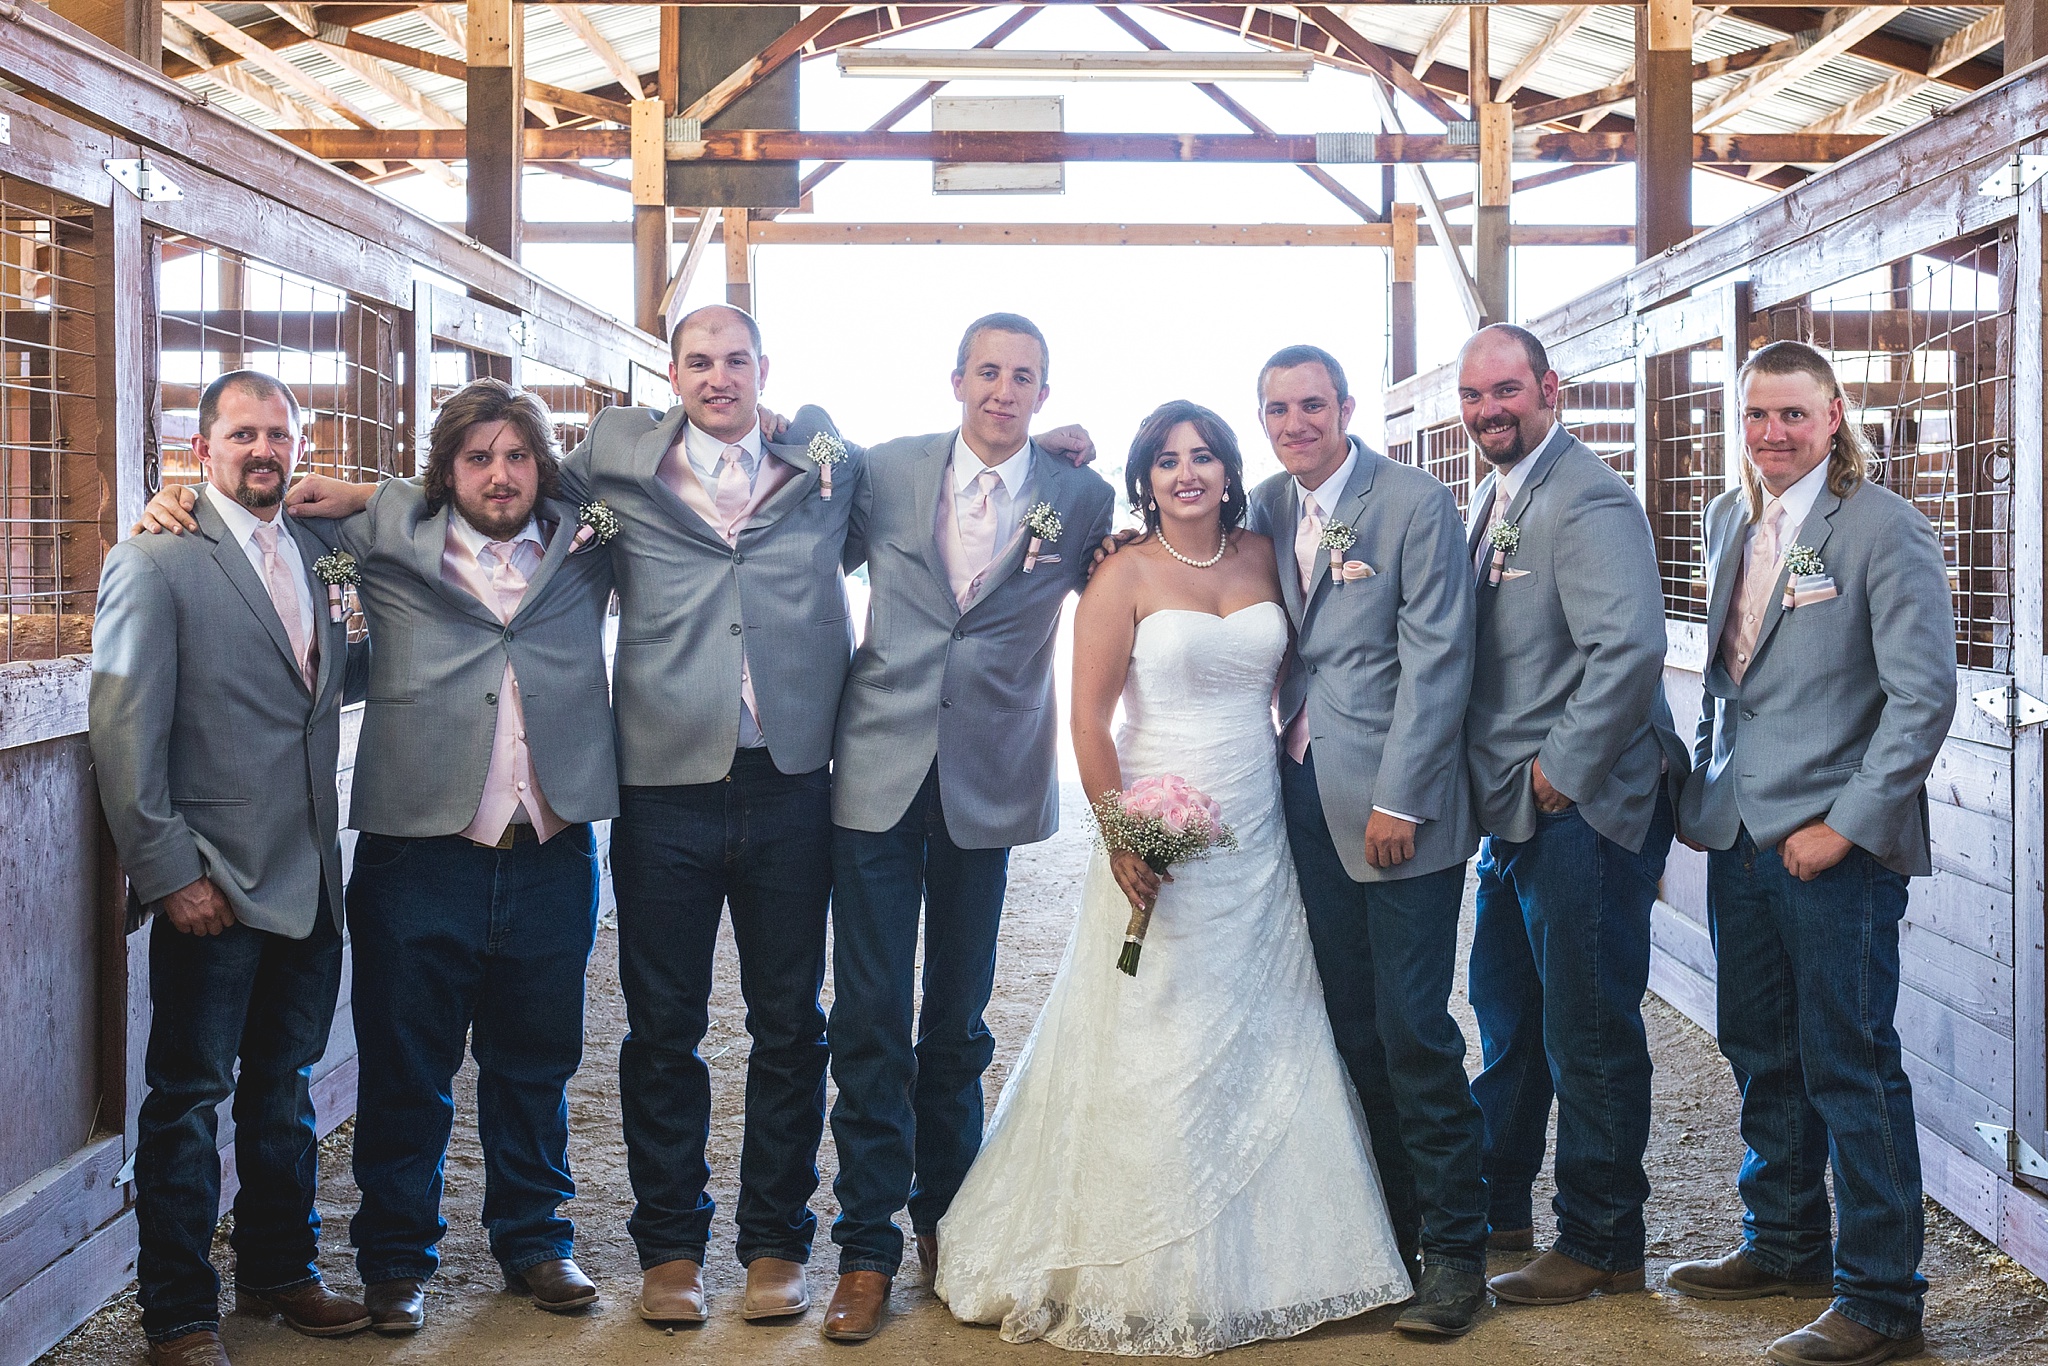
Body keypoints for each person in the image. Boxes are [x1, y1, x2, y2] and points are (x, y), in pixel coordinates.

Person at [135, 379, 620, 1329]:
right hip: (420, 851)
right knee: (406, 1068)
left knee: (538, 1060)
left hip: (553, 846)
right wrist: (174, 498)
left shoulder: (588, 545)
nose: (500, 473)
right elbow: (251, 516)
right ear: (443, 472)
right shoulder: (383, 540)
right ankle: (399, 1260)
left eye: (517, 455)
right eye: (477, 457)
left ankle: (537, 1239)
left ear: (542, 468)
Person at [933, 400, 1412, 1354]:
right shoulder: (1121, 574)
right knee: (1153, 1017)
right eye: (1164, 462)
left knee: (1271, 1018)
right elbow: (1088, 722)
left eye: (1202, 458)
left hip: (1262, 822)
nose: (1184, 474)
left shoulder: (1267, 552)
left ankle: (1290, 1255)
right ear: (1143, 479)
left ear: (1231, 472)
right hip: (1159, 816)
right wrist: (1122, 836)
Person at [819, 312, 1117, 1342]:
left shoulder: (1080, 496)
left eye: (1022, 376)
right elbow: (782, 510)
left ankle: (949, 1224)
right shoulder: (884, 469)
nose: (1002, 389)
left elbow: (1131, 585)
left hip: (985, 781)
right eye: (987, 371)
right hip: (875, 773)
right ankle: (863, 1247)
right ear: (956, 379)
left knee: (955, 1020)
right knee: (863, 1016)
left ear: (1044, 390)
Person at [1666, 340, 1955, 1366]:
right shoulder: (1725, 517)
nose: (1771, 434)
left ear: (1833, 416)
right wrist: (1705, 788)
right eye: (1754, 415)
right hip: (1738, 832)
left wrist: (1846, 822)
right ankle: (1783, 1239)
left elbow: (1922, 696)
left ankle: (1880, 1299)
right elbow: (1726, 679)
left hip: (1835, 846)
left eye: (1792, 414)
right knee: (1756, 1045)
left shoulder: (1884, 528)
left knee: (1850, 1061)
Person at [90, 371, 369, 1366]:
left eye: (279, 435)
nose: (263, 450)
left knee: (284, 1084)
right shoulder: (156, 558)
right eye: (243, 433)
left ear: (299, 446)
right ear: (200, 448)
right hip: (212, 881)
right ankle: (177, 1312)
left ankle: (280, 1269)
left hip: (308, 872)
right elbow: (124, 731)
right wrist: (169, 873)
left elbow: (340, 678)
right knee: (185, 1098)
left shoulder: (321, 549)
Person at [1247, 345, 1493, 1336]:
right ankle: (1383, 1238)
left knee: (1413, 1031)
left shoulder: (1412, 502)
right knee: (1347, 1027)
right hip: (1301, 795)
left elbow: (1439, 660)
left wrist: (1403, 796)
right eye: (1276, 407)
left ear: (1346, 407)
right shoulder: (1268, 504)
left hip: (1398, 811)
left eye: (1311, 404)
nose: (1294, 421)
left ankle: (1456, 1255)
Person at [1457, 324, 1687, 1308]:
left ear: (1548, 388)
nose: (1486, 410)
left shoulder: (1585, 495)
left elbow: (1626, 648)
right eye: (1471, 396)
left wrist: (1559, 772)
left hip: (1580, 807)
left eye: (1504, 390)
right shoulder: (1497, 492)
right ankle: (1498, 1204)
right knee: (1508, 1015)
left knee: (1585, 1027)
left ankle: (1600, 1240)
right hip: (1512, 810)